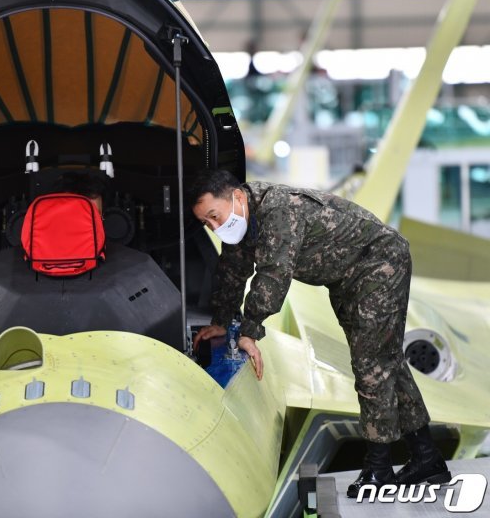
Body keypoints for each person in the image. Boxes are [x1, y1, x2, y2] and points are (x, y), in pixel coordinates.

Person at [189, 169, 451, 497]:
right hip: (348, 278)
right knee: (387, 362)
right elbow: (232, 270)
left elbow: (273, 276)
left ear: (237, 197)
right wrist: (222, 320)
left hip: (379, 264)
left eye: (214, 216)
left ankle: (379, 469)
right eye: (206, 223)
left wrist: (250, 332)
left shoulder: (279, 212)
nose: (214, 227)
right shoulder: (245, 221)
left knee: (371, 367)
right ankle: (427, 458)